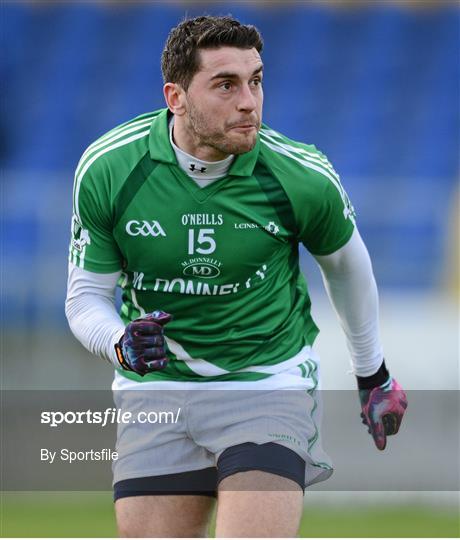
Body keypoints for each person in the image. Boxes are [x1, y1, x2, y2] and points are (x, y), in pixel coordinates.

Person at [65, 15, 407, 538]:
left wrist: (372, 372)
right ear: (176, 97)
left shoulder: (300, 176)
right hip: (155, 390)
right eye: (226, 84)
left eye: (257, 80)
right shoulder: (110, 169)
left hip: (266, 381)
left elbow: (348, 270)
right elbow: (86, 298)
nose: (249, 101)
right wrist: (119, 343)